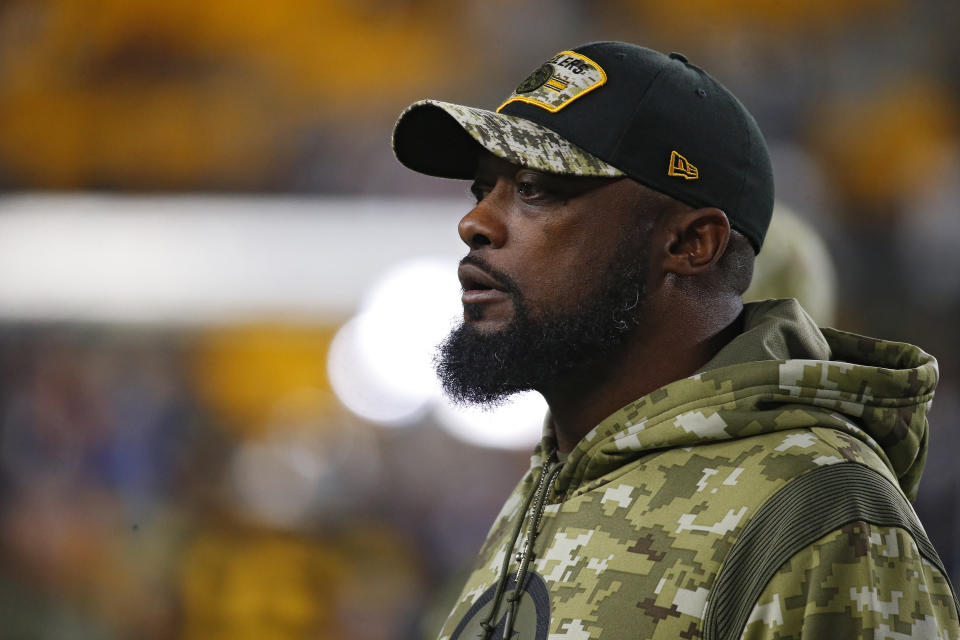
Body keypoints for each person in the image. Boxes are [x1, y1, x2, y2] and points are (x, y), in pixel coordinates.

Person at [391, 42, 960, 640]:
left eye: (535, 188)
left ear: (690, 244)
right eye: (482, 188)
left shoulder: (823, 516)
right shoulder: (557, 482)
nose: (474, 222)